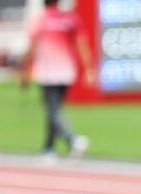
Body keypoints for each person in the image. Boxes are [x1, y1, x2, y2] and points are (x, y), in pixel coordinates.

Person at [19, 0, 94, 160]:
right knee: (54, 109)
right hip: (66, 71)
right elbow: (82, 44)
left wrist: (24, 71)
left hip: (47, 71)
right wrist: (89, 69)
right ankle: (48, 148)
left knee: (52, 111)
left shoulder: (40, 20)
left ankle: (72, 139)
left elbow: (31, 47)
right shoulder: (69, 19)